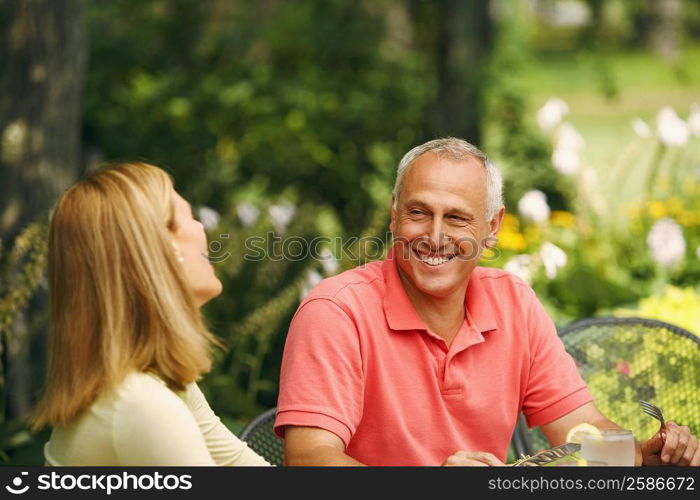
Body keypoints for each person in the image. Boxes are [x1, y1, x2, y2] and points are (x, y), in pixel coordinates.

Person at [274, 137, 700, 466]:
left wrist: (642, 456)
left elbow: (577, 432)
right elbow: (309, 458)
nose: (435, 236)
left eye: (457, 217)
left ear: (492, 226)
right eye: (418, 213)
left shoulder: (514, 302)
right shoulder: (336, 311)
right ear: (393, 214)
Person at [32, 162, 269, 466]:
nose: (202, 228)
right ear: (163, 247)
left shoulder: (152, 382)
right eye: (190, 217)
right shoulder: (142, 407)